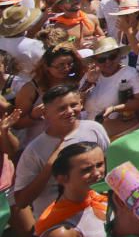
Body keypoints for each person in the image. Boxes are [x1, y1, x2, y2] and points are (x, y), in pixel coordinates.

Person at [13, 85, 111, 223]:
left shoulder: (94, 129)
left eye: (73, 105)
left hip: (97, 211)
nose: (69, 111)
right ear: (45, 113)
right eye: (61, 109)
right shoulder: (34, 150)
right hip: (59, 222)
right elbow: (21, 201)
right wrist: (49, 167)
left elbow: (109, 165)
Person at [34, 142, 107, 237]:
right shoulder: (61, 232)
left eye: (99, 164)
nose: (97, 173)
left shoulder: (105, 199)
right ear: (62, 178)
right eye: (86, 170)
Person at [81, 38, 139, 139]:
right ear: (95, 61)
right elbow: (77, 103)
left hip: (122, 137)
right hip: (94, 137)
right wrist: (89, 82)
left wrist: (114, 109)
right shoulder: (90, 75)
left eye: (112, 57)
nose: (108, 62)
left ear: (119, 56)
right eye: (102, 59)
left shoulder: (129, 73)